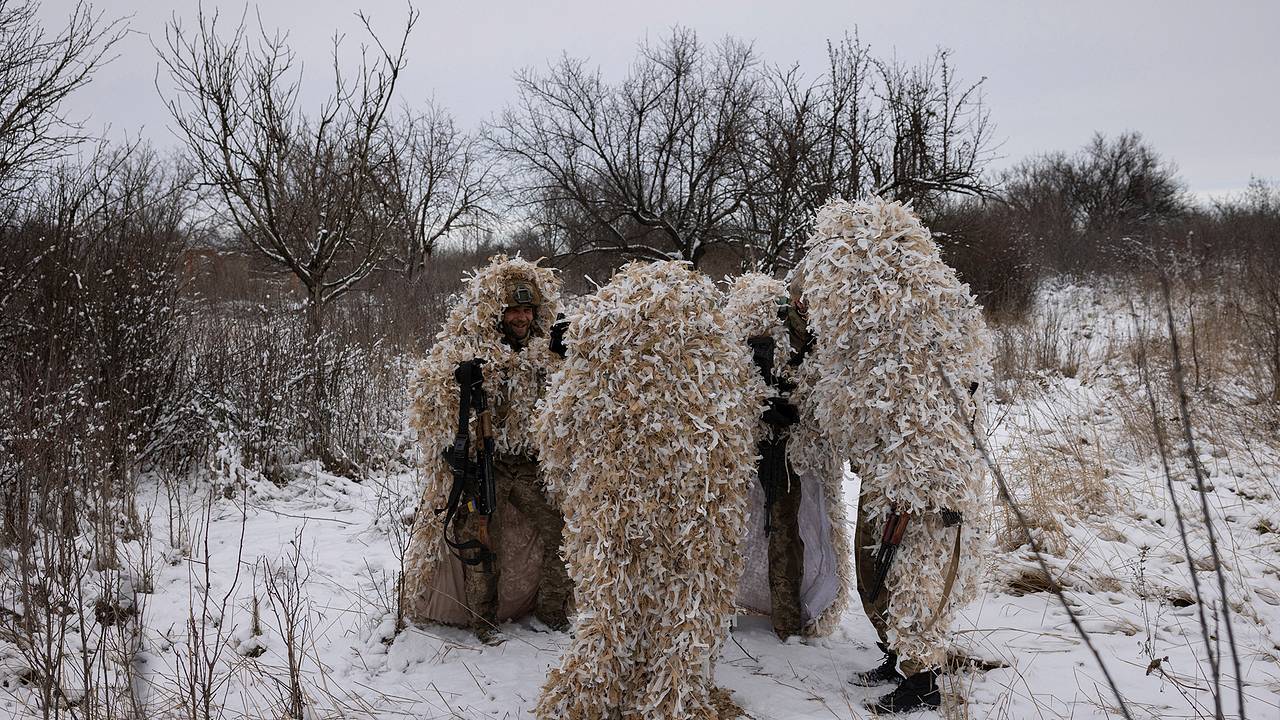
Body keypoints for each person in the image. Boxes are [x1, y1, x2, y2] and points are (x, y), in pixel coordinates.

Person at [533, 261, 759, 720]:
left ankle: (605, 686)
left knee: (613, 603)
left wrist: (572, 493)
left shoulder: (599, 362)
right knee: (684, 601)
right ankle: (670, 689)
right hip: (694, 515)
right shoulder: (714, 362)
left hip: (615, 511)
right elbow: (738, 443)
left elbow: (554, 437)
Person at [794, 198, 992, 713]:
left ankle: (923, 680)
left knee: (916, 576)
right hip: (891, 471)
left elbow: (947, 396)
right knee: (875, 570)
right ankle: (897, 653)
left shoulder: (928, 310)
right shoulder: (868, 325)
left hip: (928, 477)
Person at [400, 255, 572, 643]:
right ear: (499, 313)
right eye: (514, 311)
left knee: (561, 530)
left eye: (527, 310)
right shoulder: (471, 346)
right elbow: (429, 394)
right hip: (485, 464)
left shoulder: (545, 350)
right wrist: (458, 380)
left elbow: (570, 395)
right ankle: (484, 622)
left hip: (528, 464)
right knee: (479, 540)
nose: (521, 318)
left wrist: (567, 356)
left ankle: (551, 609)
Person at [724, 272, 852, 640]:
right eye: (803, 300)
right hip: (762, 445)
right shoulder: (767, 328)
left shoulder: (824, 336)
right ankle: (762, 613)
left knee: (794, 530)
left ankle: (789, 621)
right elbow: (738, 377)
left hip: (803, 450)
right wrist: (764, 407)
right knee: (759, 525)